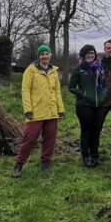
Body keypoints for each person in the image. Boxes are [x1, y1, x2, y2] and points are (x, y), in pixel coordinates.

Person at [12, 44, 65, 178]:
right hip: (35, 113)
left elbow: (57, 91)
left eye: (47, 54)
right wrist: (28, 109)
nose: (45, 56)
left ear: (50, 55)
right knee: (29, 139)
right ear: (39, 56)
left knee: (50, 139)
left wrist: (61, 109)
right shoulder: (31, 70)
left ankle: (45, 162)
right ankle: (18, 165)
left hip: (52, 112)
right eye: (42, 54)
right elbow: (25, 91)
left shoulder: (54, 71)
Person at [69, 44, 105, 167]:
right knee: (86, 131)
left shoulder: (100, 68)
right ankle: (86, 156)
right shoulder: (78, 69)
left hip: (98, 105)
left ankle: (95, 155)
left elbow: (105, 85)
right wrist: (83, 94)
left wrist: (103, 96)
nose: (91, 55)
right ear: (83, 55)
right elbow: (71, 87)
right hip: (84, 105)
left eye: (93, 53)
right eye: (88, 53)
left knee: (96, 131)